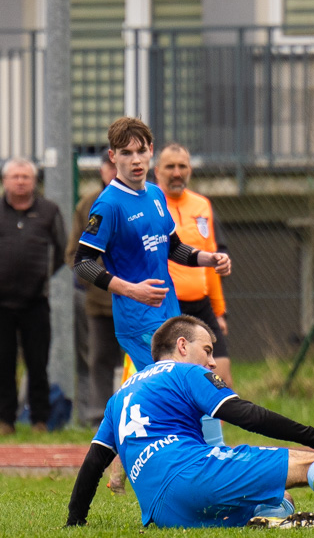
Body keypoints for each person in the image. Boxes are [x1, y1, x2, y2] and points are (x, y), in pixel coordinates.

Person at [66, 315, 314, 529]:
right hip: (189, 475)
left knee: (279, 498)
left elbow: (94, 462)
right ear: (181, 346)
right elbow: (247, 415)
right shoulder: (185, 373)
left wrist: (75, 522)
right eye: (207, 351)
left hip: (161, 512)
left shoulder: (120, 396)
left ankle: (268, 522)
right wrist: (313, 436)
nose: (210, 362)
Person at [72, 117, 231, 446]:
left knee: (178, 388)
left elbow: (174, 248)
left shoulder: (156, 195)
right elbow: (82, 263)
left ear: (151, 153)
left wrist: (208, 259)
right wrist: (131, 289)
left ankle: (115, 453)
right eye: (126, 153)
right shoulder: (108, 205)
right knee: (189, 384)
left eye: (141, 152)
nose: (135, 160)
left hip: (169, 314)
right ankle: (212, 458)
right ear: (113, 157)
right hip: (138, 320)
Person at [154, 143, 233, 387]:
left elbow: (210, 258)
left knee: (221, 377)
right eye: (170, 167)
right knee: (178, 382)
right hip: (168, 306)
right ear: (157, 171)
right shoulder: (151, 204)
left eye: (182, 166)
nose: (176, 172)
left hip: (202, 305)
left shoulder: (202, 205)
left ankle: (216, 426)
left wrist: (219, 311)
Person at [0, 158, 66, 435]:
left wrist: (41, 277)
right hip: (1, 303)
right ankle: (5, 422)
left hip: (36, 301)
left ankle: (40, 420)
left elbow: (63, 249)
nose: (20, 181)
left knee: (38, 363)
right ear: (5, 181)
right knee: (3, 364)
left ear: (34, 181)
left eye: (25, 177)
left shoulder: (49, 211)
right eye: (15, 176)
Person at [65, 150, 124, 429]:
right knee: (99, 358)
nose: (113, 171)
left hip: (138, 302)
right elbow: (72, 254)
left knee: (137, 359)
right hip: (100, 303)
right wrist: (92, 281)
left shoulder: (143, 199)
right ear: (101, 170)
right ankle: (99, 417)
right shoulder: (88, 205)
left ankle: (136, 414)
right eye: (108, 166)